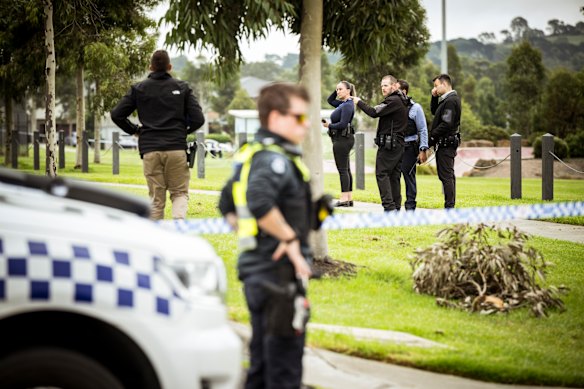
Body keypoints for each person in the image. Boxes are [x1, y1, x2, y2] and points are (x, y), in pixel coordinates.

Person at [219, 83, 329, 389]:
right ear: (276, 118)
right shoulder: (273, 160)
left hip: (258, 271)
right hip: (277, 276)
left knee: (262, 366)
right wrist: (288, 239)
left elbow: (228, 204)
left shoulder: (252, 154)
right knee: (283, 370)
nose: (306, 124)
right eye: (299, 117)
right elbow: (258, 201)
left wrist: (258, 235)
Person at [110, 49, 204, 220]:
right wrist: (182, 131)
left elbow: (117, 114)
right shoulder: (182, 88)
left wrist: (135, 130)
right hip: (176, 149)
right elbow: (199, 119)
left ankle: (156, 237)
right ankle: (178, 229)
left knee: (155, 200)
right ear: (169, 66)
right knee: (179, 193)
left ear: (150, 67)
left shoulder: (138, 89)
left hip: (150, 149)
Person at [353, 75, 409, 211]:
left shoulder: (394, 101)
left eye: (386, 85)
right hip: (397, 144)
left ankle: (389, 208)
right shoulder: (399, 100)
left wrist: (359, 101)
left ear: (394, 86)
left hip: (390, 145)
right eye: (382, 85)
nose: (383, 88)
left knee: (382, 173)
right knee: (394, 176)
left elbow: (373, 112)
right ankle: (395, 207)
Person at [429, 74, 462, 209]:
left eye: (436, 86)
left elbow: (446, 124)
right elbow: (434, 111)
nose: (435, 88)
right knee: (446, 175)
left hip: (446, 143)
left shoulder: (451, 101)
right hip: (443, 143)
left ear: (444, 84)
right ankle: (449, 205)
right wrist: (434, 97)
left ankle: (449, 207)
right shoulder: (445, 100)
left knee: (446, 176)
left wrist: (432, 137)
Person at [323, 81, 356, 207]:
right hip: (342, 138)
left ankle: (343, 199)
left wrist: (329, 125)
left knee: (342, 169)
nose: (338, 92)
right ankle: (349, 198)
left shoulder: (347, 105)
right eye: (337, 89)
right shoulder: (343, 104)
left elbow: (342, 124)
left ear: (348, 90)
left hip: (342, 139)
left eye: (340, 89)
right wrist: (338, 87)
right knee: (346, 169)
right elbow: (330, 100)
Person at [397, 80, 429, 211]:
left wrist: (423, 149)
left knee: (408, 177)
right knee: (394, 177)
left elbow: (423, 129)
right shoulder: (393, 106)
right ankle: (395, 205)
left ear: (404, 91)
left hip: (409, 147)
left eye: (397, 90)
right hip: (395, 147)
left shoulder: (416, 108)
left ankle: (410, 207)